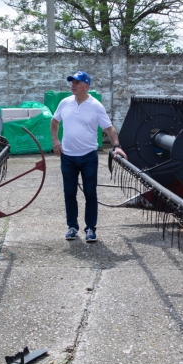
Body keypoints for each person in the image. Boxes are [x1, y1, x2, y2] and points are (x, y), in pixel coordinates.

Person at [51, 71, 127, 243]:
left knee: (90, 193)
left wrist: (116, 146)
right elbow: (54, 121)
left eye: (77, 83)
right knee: (69, 193)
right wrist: (55, 141)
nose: (73, 85)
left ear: (86, 86)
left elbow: (109, 128)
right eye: (72, 82)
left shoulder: (96, 106)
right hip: (68, 156)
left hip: (88, 157)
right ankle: (72, 227)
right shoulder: (65, 103)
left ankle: (91, 228)